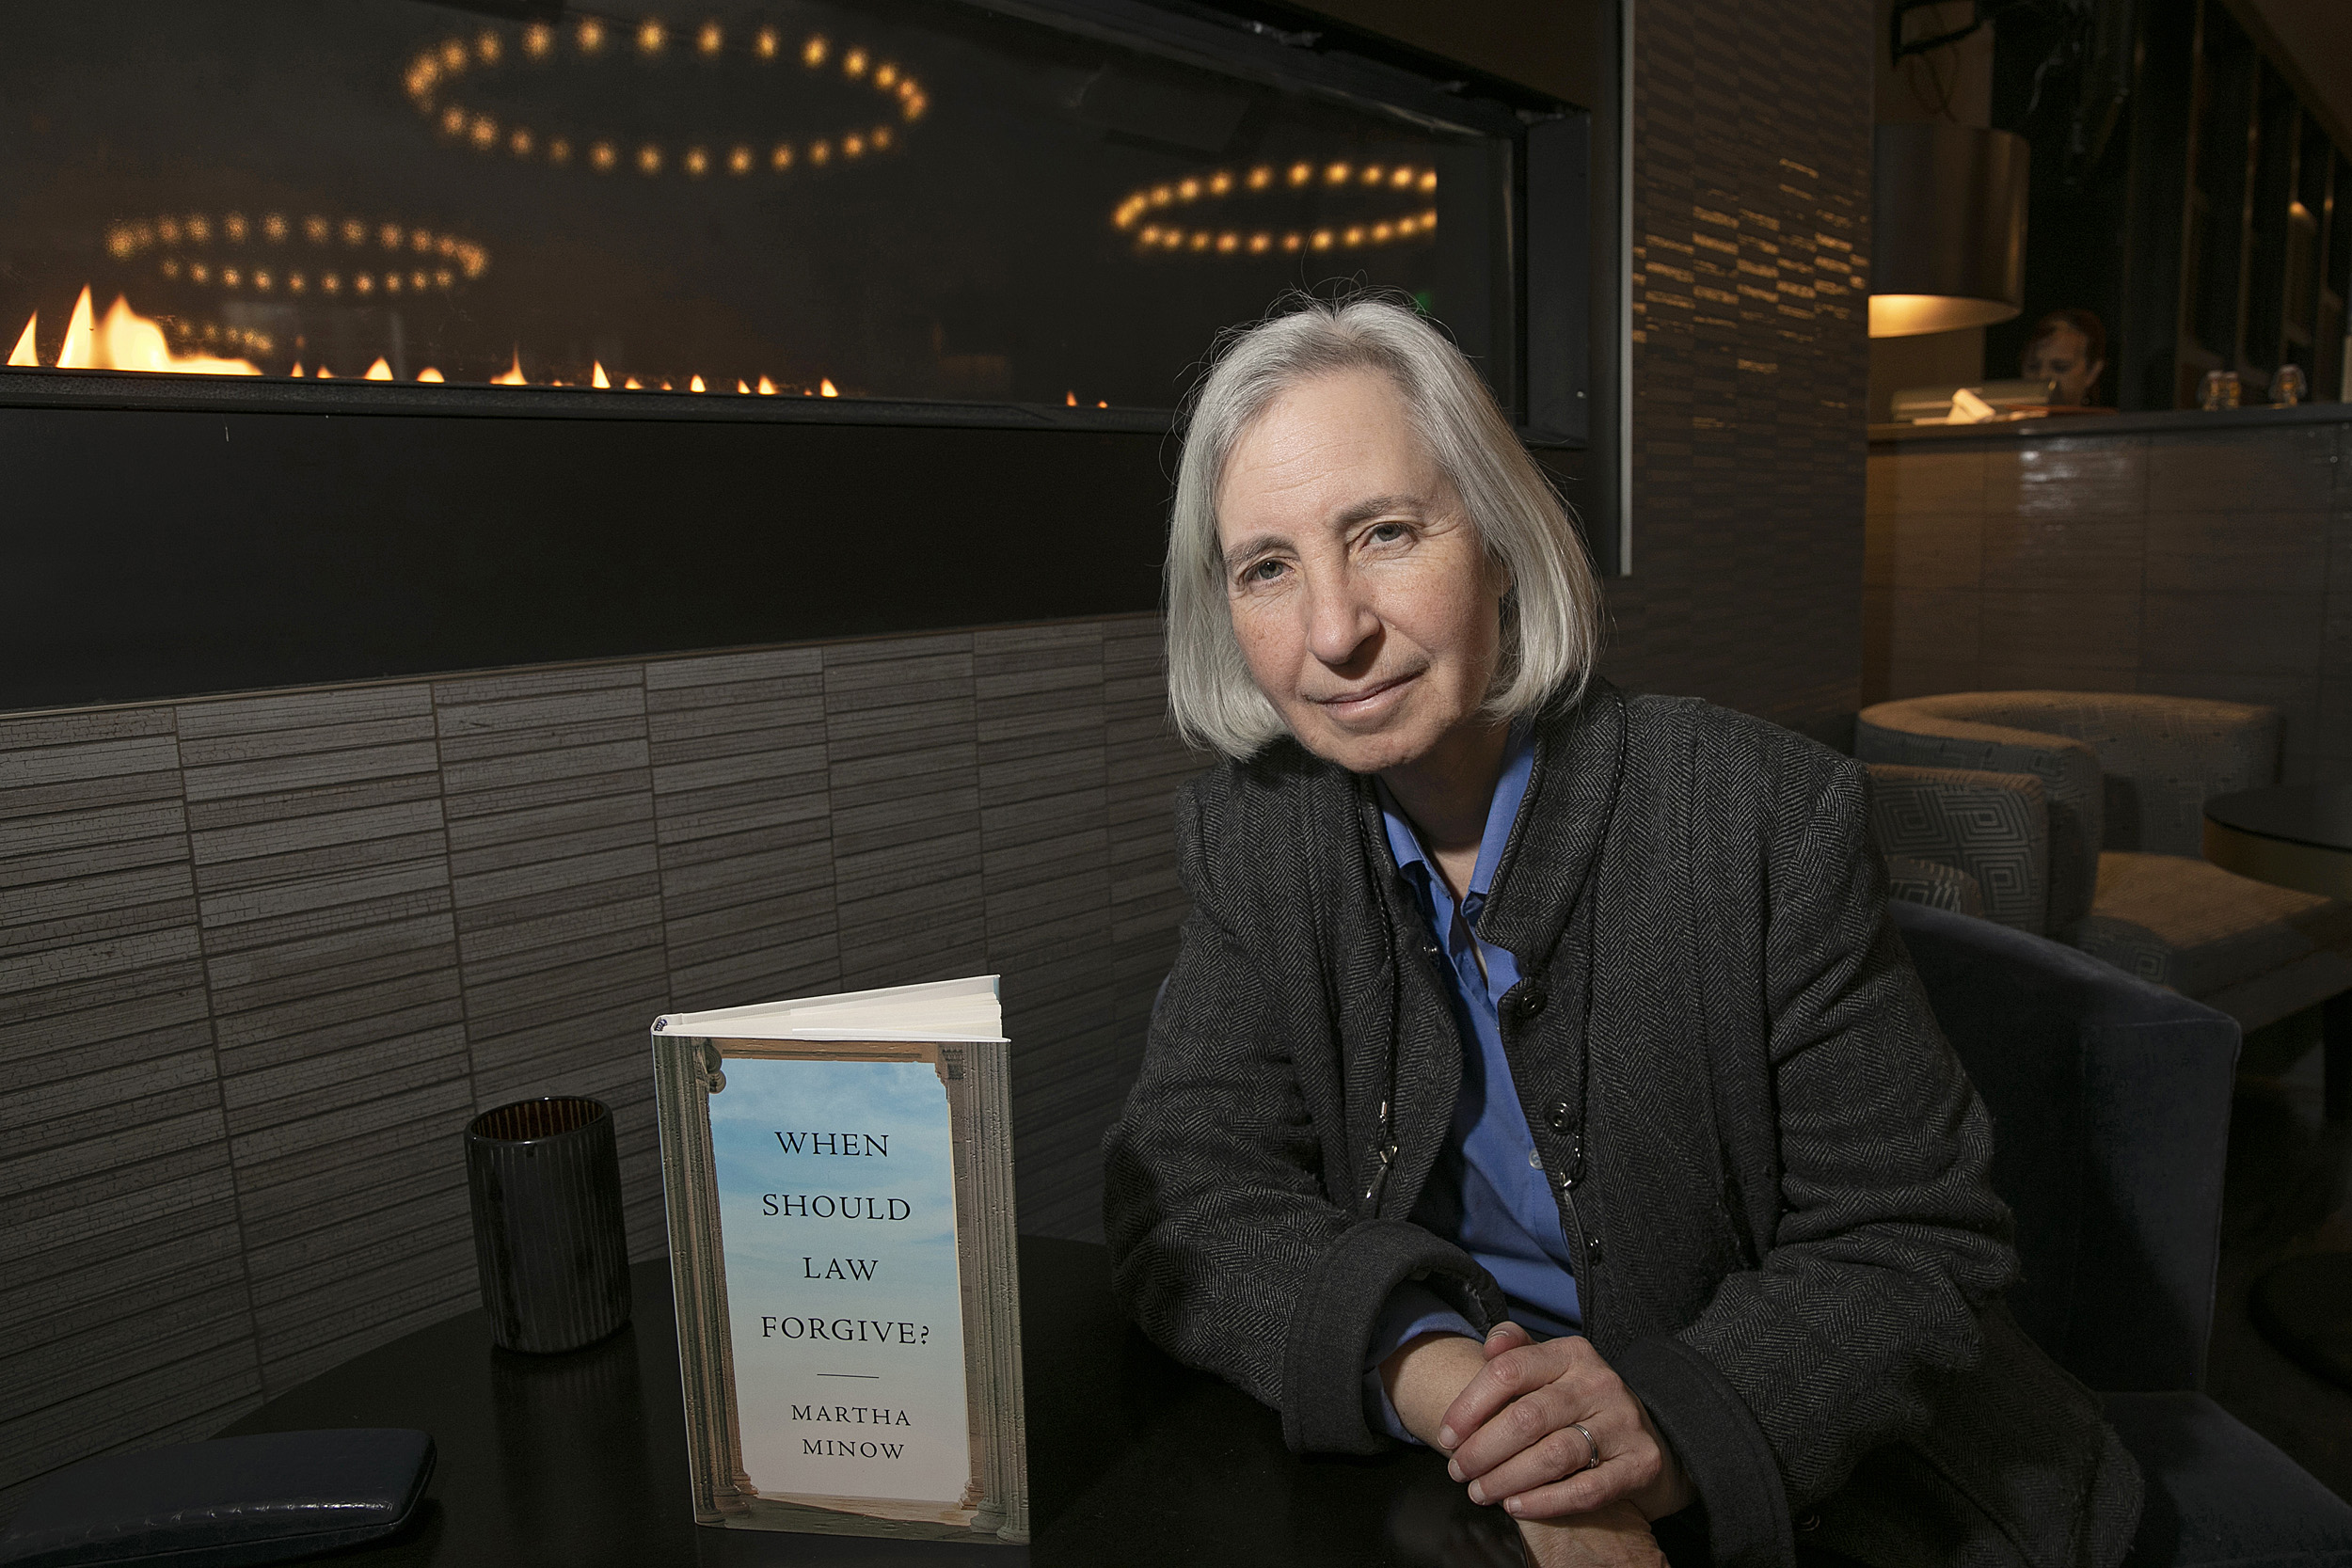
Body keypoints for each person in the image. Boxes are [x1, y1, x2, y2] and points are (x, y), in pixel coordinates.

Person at [1102, 294, 2142, 1567]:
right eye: (1268, 566)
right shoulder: (1252, 839)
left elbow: (1917, 1242)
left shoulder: (1762, 815)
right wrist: (1459, 1394)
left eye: (1382, 533)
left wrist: (1655, 1424)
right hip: (1460, 1475)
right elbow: (1188, 1198)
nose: (1333, 631)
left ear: (1494, 534)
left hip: (1816, 1478)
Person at [2021, 309, 2106, 406]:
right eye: (2033, 367)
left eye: (2060, 367)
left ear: (2092, 372)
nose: (2042, 376)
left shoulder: (2110, 421)